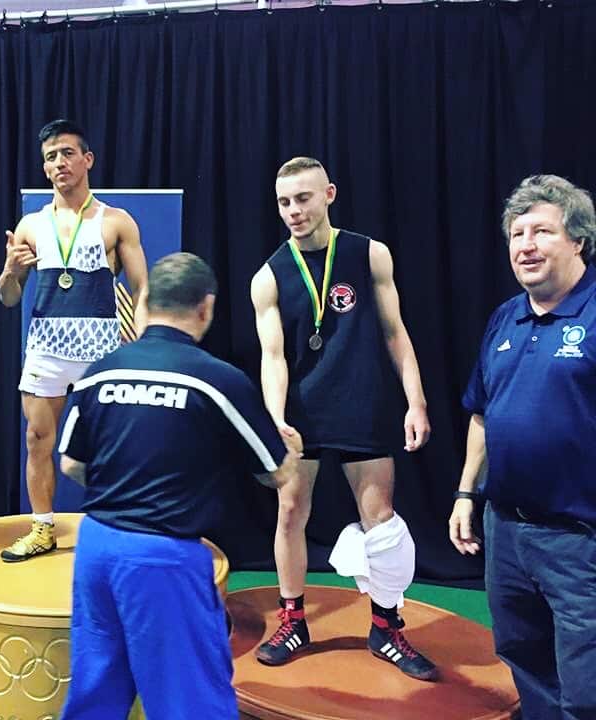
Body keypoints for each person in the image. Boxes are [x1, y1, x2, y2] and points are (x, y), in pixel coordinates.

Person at [56, 252, 300, 718]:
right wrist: (288, 445)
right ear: (206, 307)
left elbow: (71, 464)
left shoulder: (101, 370)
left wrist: (124, 481)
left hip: (96, 549)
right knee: (191, 701)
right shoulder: (219, 381)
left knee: (95, 694)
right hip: (163, 559)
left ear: (146, 303)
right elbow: (275, 473)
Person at [250, 157, 436, 680]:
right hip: (303, 412)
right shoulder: (268, 275)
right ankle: (293, 620)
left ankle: (386, 626)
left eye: (304, 198)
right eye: (284, 202)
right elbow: (273, 357)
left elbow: (396, 332)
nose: (293, 211)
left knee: (380, 521)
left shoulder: (368, 253)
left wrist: (415, 401)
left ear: (329, 194)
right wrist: (274, 419)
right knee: (290, 513)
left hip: (364, 402)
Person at [449, 175, 596, 720]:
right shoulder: (504, 318)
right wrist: (466, 493)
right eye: (517, 234)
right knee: (522, 655)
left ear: (578, 240)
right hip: (505, 530)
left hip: (578, 540)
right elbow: (482, 413)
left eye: (542, 231)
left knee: (586, 685)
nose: (526, 245)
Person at [0, 119, 147, 562]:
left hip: (101, 348)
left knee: (109, 445)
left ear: (87, 159)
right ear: (44, 169)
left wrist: (139, 345)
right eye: (50, 157)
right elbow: (8, 297)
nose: (59, 163)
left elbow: (143, 288)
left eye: (66, 153)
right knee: (38, 438)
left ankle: (117, 526)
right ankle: (43, 528)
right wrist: (10, 269)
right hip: (46, 346)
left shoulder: (115, 221)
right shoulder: (29, 225)